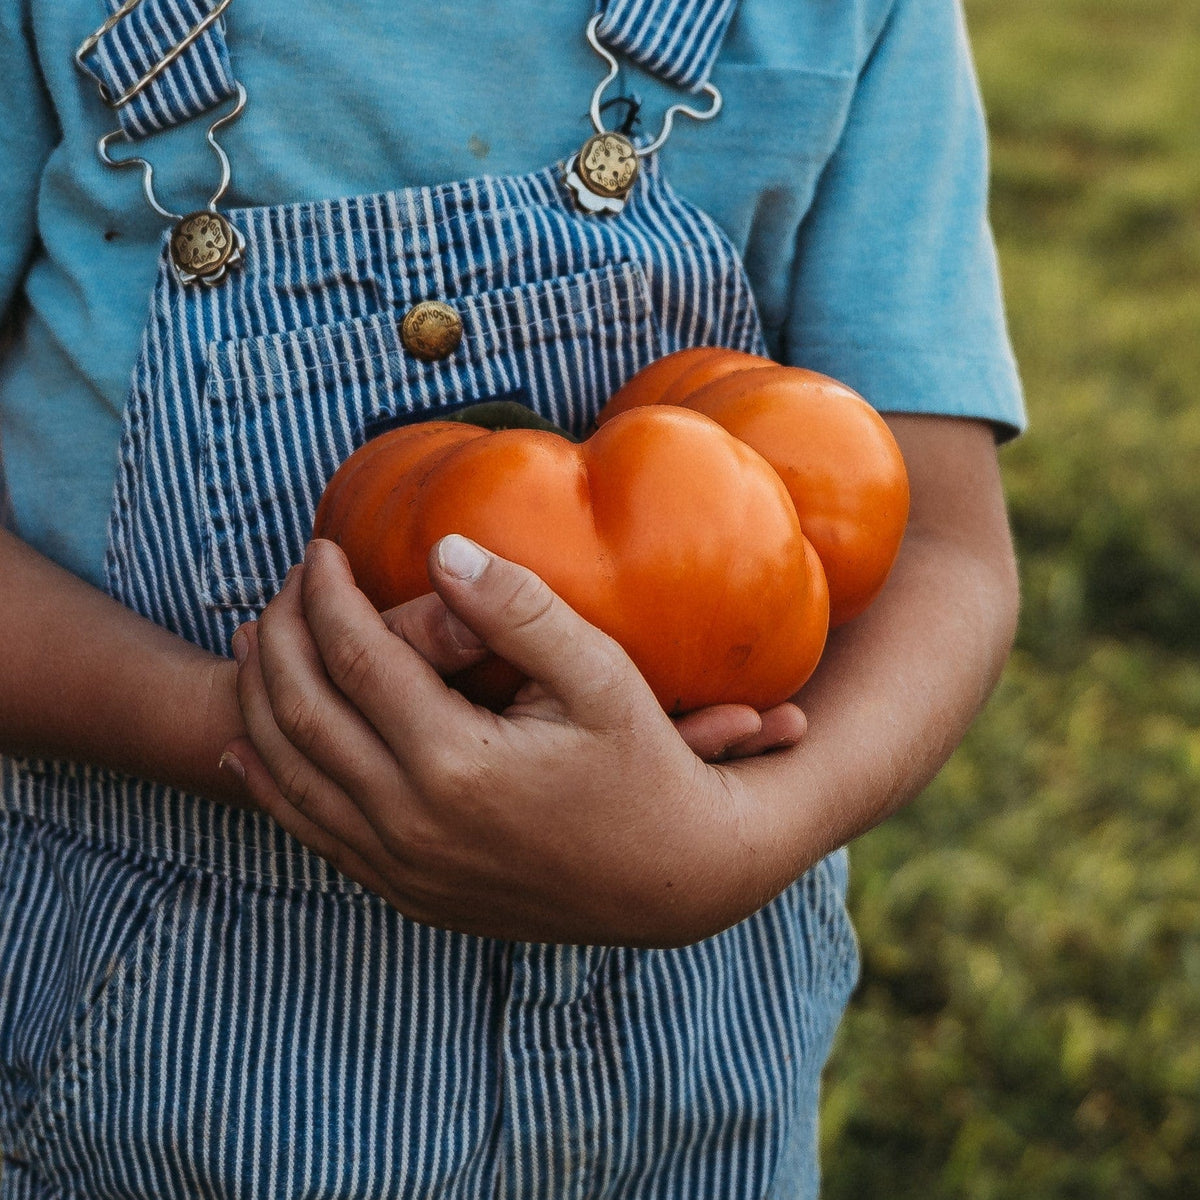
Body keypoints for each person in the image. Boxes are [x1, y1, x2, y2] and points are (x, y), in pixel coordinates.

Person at [0, 0, 1023, 1195]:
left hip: (694, 1075)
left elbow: (946, 544)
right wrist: (270, 732)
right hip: (168, 1072)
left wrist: (738, 840)